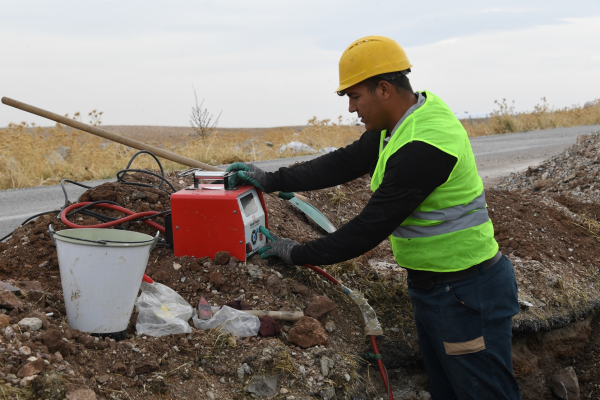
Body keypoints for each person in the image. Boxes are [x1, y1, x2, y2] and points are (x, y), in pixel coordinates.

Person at [227, 35, 521, 400]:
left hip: (465, 293)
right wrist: (271, 179)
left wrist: (296, 253)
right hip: (437, 290)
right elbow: (340, 164)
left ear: (383, 89)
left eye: (354, 96)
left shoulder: (425, 144)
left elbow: (368, 229)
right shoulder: (395, 127)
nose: (351, 108)